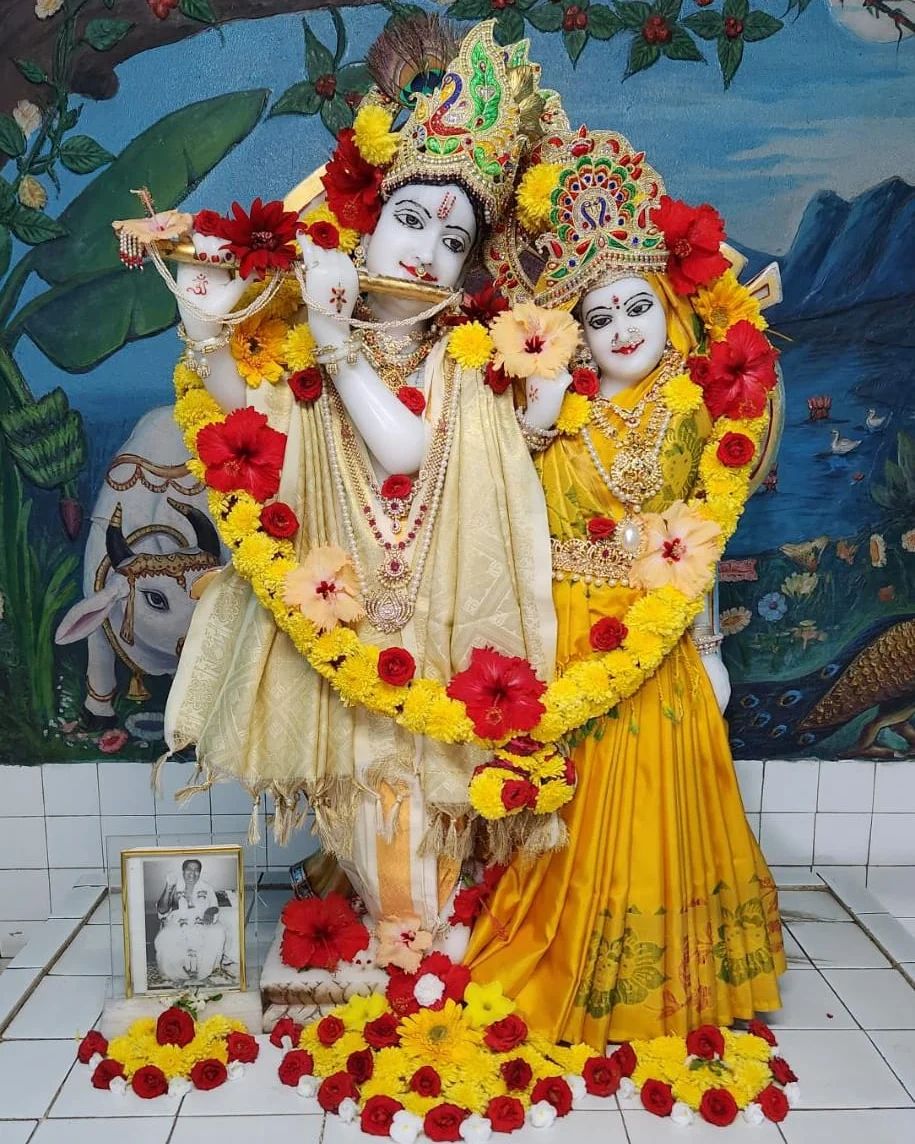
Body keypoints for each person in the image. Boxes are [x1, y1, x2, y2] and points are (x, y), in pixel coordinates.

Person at [164, 20, 558, 961]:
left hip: (440, 610)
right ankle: (390, 929)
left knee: (427, 784)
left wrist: (338, 340)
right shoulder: (307, 338)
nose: (425, 253)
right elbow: (254, 430)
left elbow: (403, 450)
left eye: (453, 240)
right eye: (411, 221)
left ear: (469, 267)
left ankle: (418, 936)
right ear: (369, 221)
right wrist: (208, 332)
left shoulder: (463, 362)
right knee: (358, 779)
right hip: (339, 606)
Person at [466, 128, 786, 1044]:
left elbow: (701, 535)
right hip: (566, 631)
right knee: (568, 806)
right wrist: (534, 416)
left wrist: (708, 645)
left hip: (661, 629)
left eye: (636, 305)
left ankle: (664, 978)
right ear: (573, 331)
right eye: (598, 316)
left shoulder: (692, 405)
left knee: (659, 805)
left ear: (666, 307)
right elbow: (503, 518)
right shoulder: (552, 410)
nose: (622, 330)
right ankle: (566, 953)